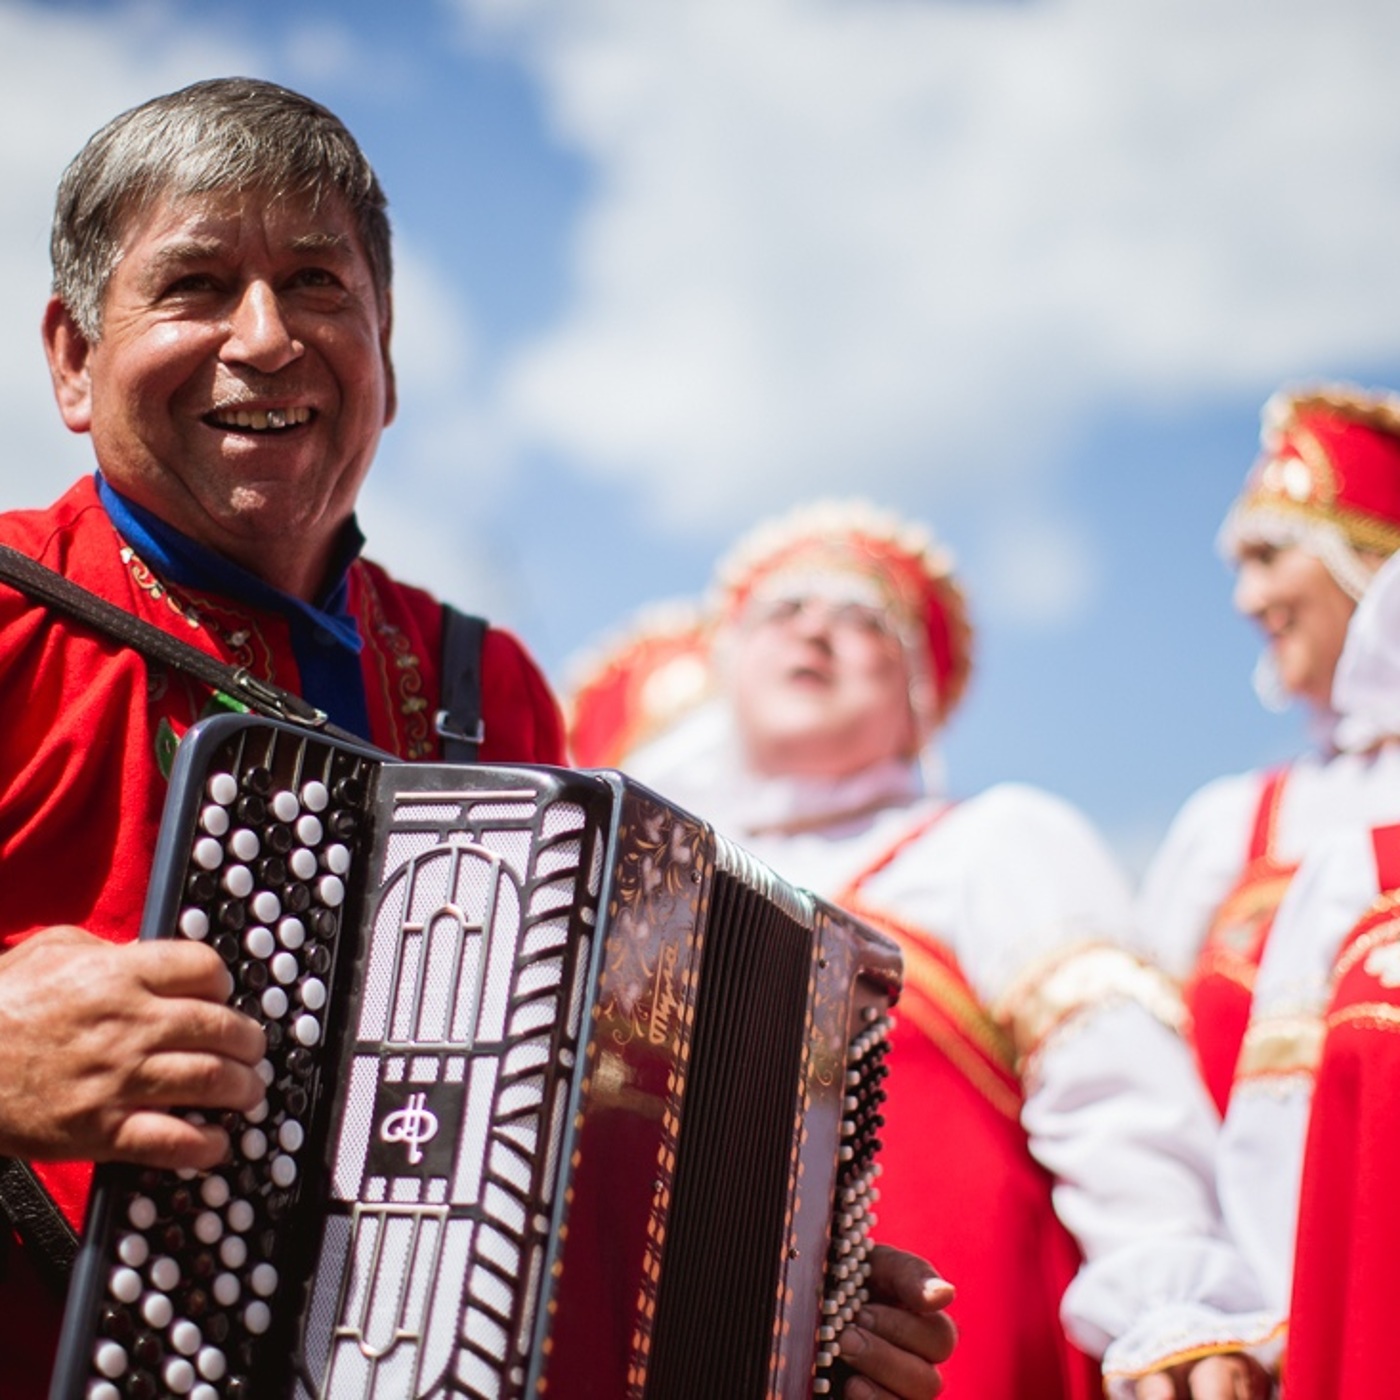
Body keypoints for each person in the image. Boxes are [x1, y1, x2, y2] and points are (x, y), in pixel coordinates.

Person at [0, 78, 953, 1400]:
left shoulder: (489, 685)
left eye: (320, 285)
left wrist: (786, 1313)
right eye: (197, 285)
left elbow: (574, 1174)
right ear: (69, 356)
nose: (267, 338)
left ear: (386, 351)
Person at [567, 499, 1238, 1400]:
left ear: (917, 697)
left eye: (862, 618)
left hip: (956, 1353)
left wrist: (1172, 1306)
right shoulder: (651, 894)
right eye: (782, 611)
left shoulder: (992, 841)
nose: (815, 632)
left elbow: (1111, 1087)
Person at [1097, 386, 1400, 1395]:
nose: (1242, 599)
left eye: (1271, 554)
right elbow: (1144, 1093)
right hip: (1246, 1351)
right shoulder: (1229, 824)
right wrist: (1181, 1305)